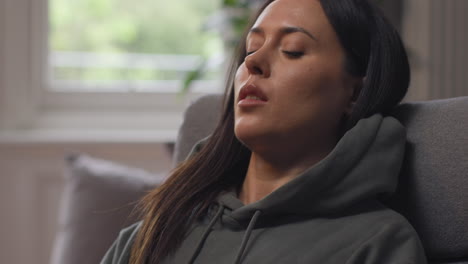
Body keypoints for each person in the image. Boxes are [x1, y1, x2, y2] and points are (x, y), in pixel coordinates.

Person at [101, 0, 427, 263]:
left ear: (354, 93)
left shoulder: (378, 243)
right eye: (251, 48)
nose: (254, 62)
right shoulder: (156, 230)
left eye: (293, 50)